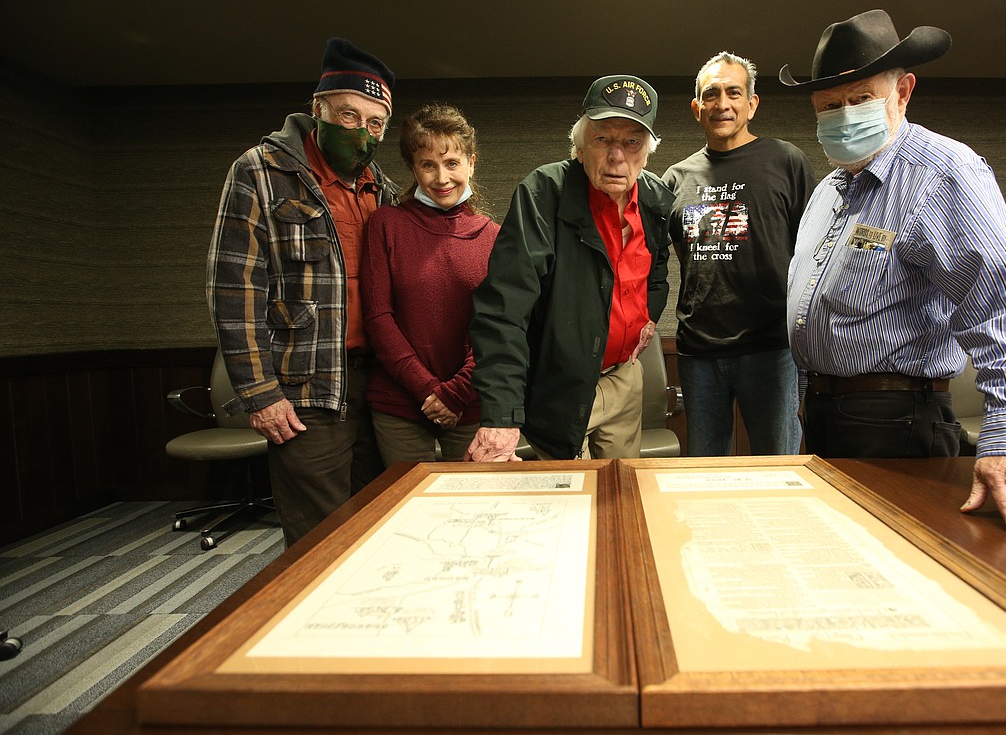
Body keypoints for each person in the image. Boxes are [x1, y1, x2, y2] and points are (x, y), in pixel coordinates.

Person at [779, 9, 1006, 545]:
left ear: (903, 91)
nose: (844, 115)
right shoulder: (828, 191)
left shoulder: (938, 171)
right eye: (830, 106)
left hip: (897, 422)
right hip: (826, 413)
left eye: (860, 99)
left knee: (903, 569)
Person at [207, 37, 398, 547]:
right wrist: (260, 394)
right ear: (319, 110)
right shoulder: (261, 171)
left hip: (379, 385)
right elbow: (233, 287)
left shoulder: (384, 187)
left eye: (375, 122)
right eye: (350, 115)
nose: (362, 131)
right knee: (320, 538)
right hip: (306, 389)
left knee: (380, 522)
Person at [465, 75, 674, 462]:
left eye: (632, 142)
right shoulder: (543, 192)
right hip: (562, 381)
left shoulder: (657, 199)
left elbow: (656, 268)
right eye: (603, 139)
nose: (617, 156)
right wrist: (502, 415)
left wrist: (648, 316)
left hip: (625, 376)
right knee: (564, 503)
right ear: (579, 147)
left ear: (647, 153)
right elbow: (503, 308)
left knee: (621, 494)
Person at [662, 52, 814, 456]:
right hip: (699, 350)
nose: (722, 104)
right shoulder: (675, 179)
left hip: (772, 348)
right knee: (703, 472)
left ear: (752, 103)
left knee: (780, 466)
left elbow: (811, 250)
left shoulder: (786, 161)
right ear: (697, 108)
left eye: (734, 92)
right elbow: (685, 254)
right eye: (711, 95)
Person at [361, 103, 499, 464]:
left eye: (452, 163)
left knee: (478, 510)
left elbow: (498, 329)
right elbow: (378, 317)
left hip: (471, 400)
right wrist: (428, 391)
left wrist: (455, 393)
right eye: (428, 165)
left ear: (472, 162)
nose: (442, 178)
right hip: (399, 402)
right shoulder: (386, 224)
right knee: (407, 511)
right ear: (413, 167)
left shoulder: (495, 237)